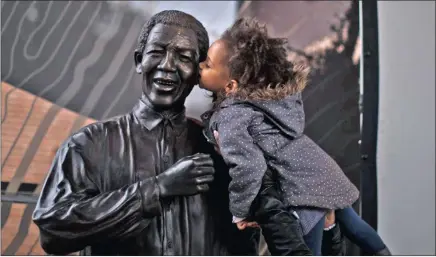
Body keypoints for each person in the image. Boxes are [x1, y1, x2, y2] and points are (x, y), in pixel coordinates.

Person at [32, 10, 262, 255]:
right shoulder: (88, 145)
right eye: (156, 52)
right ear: (139, 61)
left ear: (198, 73)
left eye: (183, 57)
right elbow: (53, 231)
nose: (167, 65)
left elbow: (245, 243)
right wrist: (158, 188)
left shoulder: (223, 149)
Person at [199, 17, 391, 255]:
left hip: (301, 187)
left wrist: (240, 210)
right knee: (354, 226)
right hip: (321, 168)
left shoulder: (232, 116)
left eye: (207, 65)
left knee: (308, 247)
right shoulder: (264, 105)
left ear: (230, 86)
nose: (199, 66)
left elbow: (248, 166)